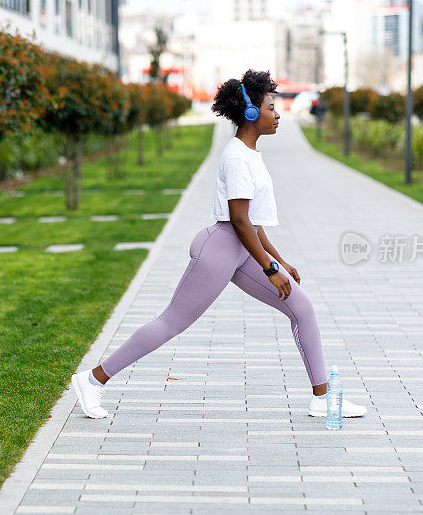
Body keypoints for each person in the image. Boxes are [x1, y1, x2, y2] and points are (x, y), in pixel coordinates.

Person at [71, 69, 367, 419]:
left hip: (241, 249)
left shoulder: (250, 154)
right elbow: (239, 221)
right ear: (251, 114)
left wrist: (280, 261)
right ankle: (92, 380)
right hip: (221, 250)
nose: (278, 114)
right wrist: (269, 269)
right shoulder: (237, 156)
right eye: (271, 107)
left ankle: (322, 398)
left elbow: (253, 223)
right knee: (171, 323)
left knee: (302, 309)